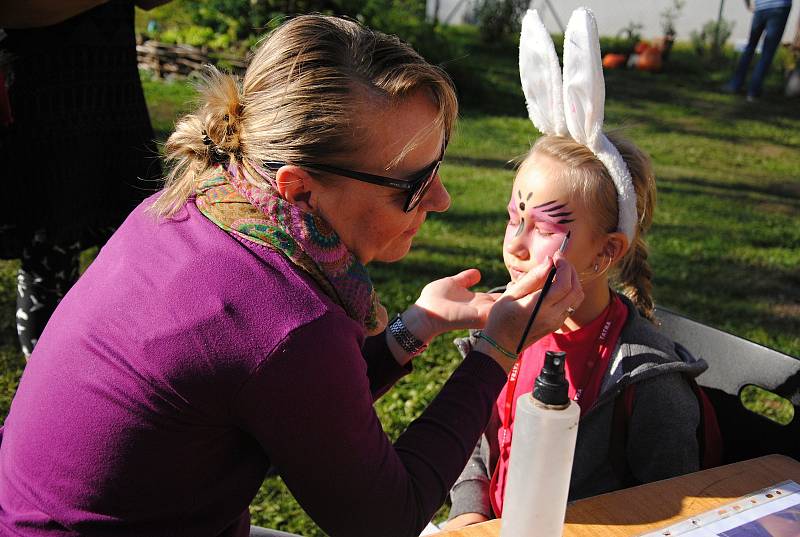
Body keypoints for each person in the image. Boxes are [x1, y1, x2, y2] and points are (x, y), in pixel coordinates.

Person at [0, 14, 584, 537]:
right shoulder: (287, 320)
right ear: (299, 186)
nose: (442, 198)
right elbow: (385, 517)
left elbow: (293, 406)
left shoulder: (197, 204)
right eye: (412, 183)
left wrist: (416, 326)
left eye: (437, 164)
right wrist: (496, 349)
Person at [444, 9, 709, 530]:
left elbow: (675, 513)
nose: (515, 244)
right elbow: (474, 440)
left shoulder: (645, 378)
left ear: (605, 253)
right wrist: (469, 515)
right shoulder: (502, 328)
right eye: (513, 217)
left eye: (543, 227)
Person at [0, 0, 167, 358]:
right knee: (49, 254)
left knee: (142, 242)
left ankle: (129, 372)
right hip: (43, 98)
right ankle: (45, 390)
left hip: (112, 92)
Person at [723, 0, 794, 101]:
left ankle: (735, 85)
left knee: (750, 46)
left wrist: (747, 4)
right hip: (780, 6)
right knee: (768, 51)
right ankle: (753, 91)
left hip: (761, 7)